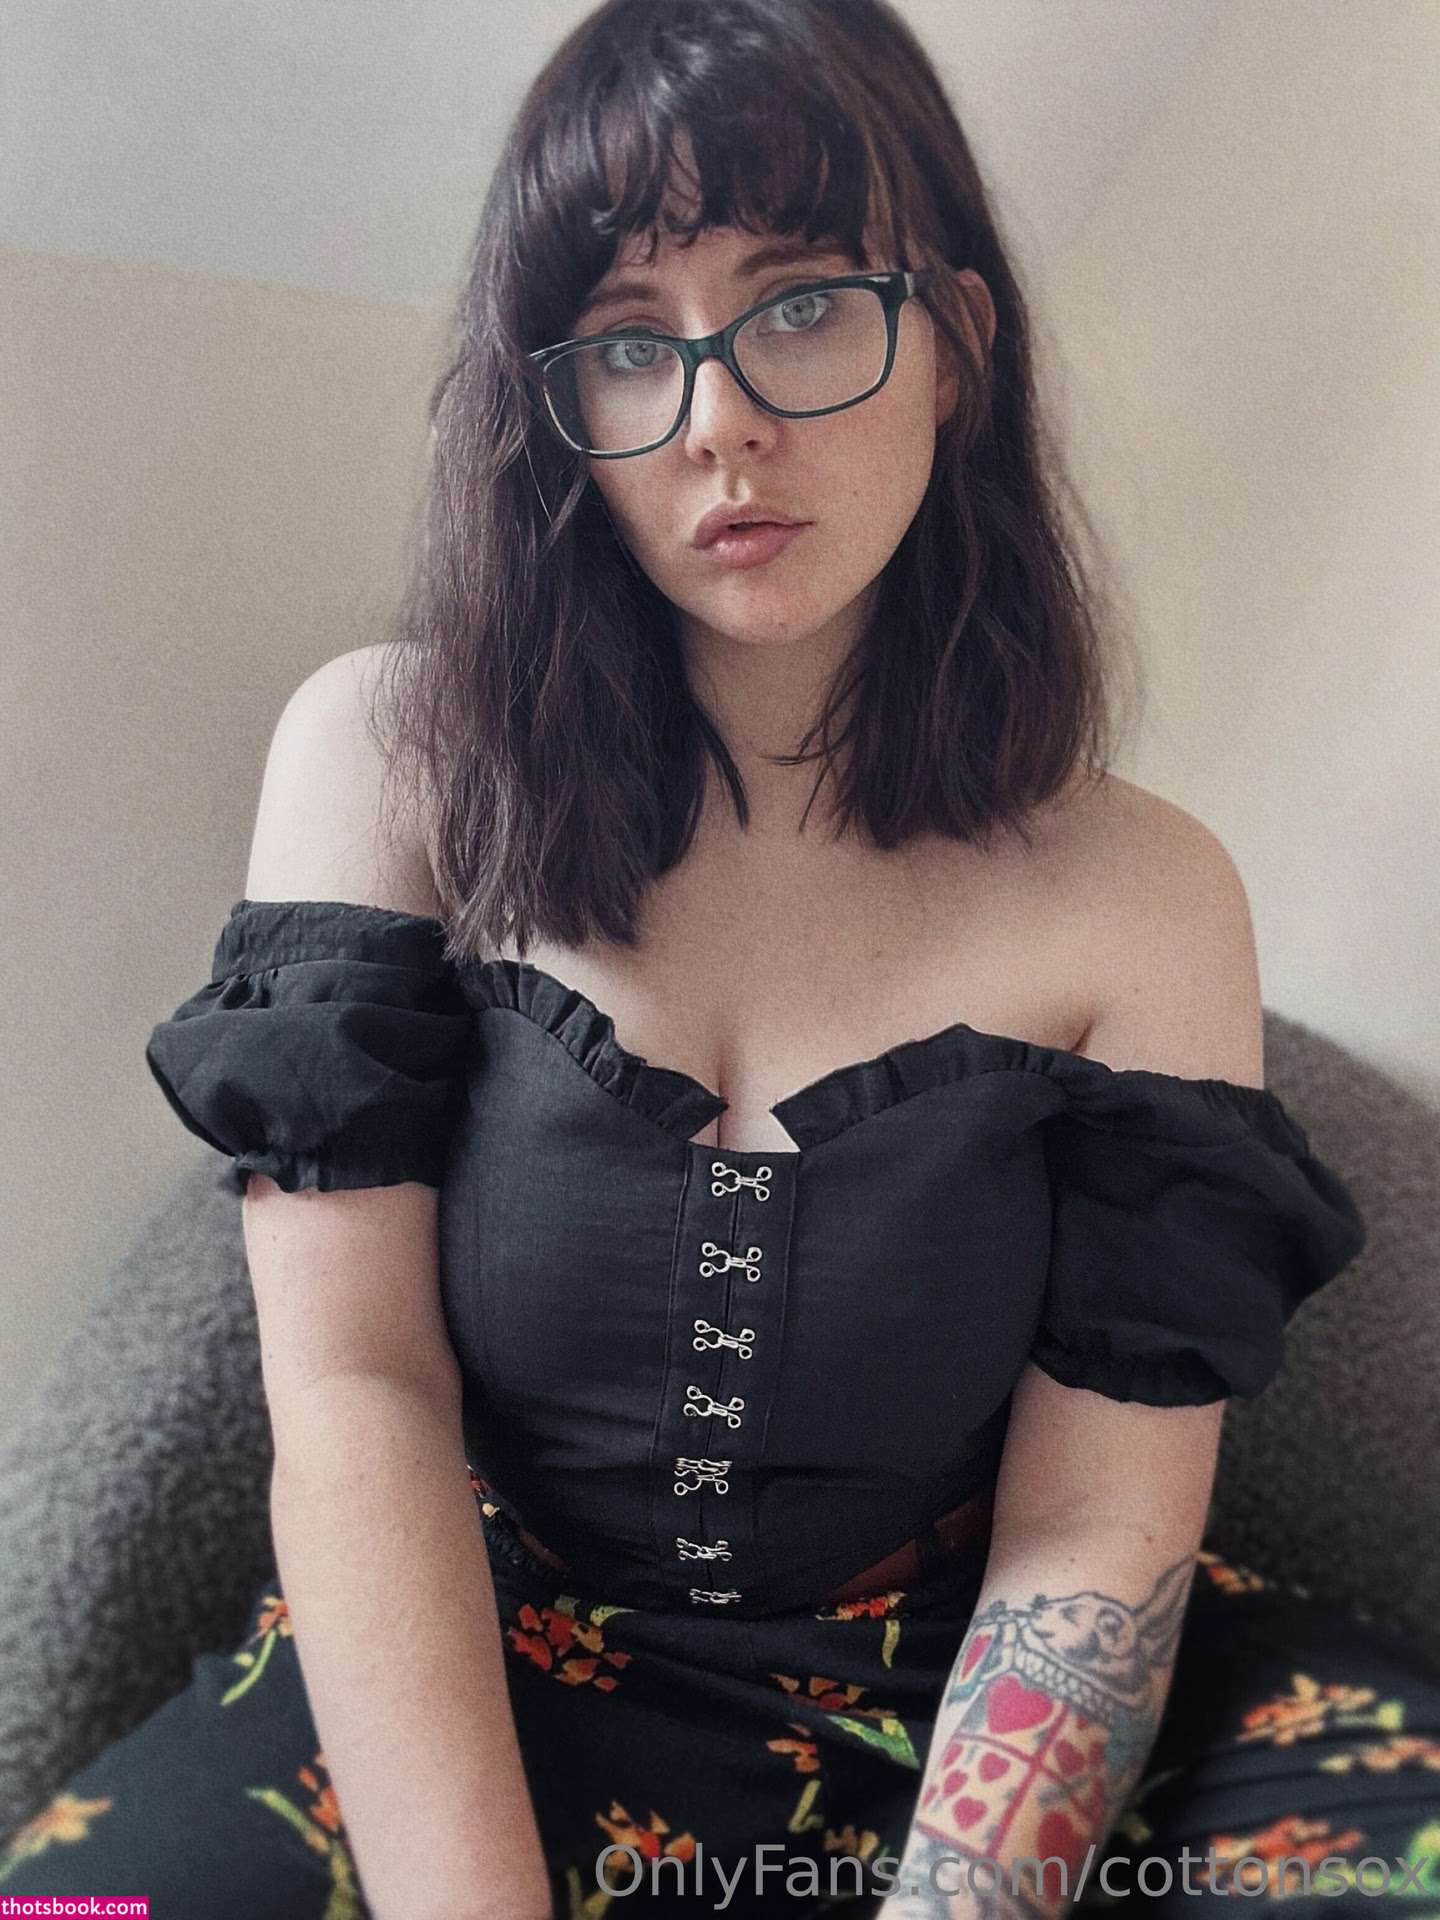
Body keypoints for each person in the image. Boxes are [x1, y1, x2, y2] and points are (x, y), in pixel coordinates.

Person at [3, 2, 1435, 1917]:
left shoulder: (1144, 891)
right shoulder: (385, 758)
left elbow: (1096, 1520)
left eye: (803, 305)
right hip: (462, 1670)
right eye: (626, 342)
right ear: (557, 408)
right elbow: (357, 1394)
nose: (717, 422)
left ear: (956, 346)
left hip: (965, 1700)